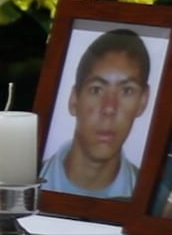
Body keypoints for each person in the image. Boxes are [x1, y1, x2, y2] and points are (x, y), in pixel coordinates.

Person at [39, 28, 152, 198]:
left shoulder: (153, 202)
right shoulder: (20, 181)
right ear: (74, 100)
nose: (109, 108)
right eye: (97, 90)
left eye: (127, 91)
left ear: (143, 101)